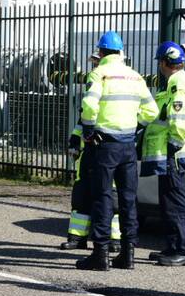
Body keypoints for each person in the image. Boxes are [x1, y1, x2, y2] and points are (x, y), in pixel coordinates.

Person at [76, 30, 159, 271]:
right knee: (128, 199)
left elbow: (89, 105)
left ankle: (100, 254)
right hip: (127, 146)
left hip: (105, 144)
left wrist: (89, 130)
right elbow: (151, 111)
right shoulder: (135, 77)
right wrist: (136, 128)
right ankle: (128, 253)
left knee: (102, 197)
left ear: (100, 52)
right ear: (121, 52)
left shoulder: (99, 73)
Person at [141, 41, 185, 266]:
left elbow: (181, 118)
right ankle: (173, 247)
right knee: (169, 201)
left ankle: (184, 250)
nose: (159, 66)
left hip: (174, 152)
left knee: (175, 202)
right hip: (175, 151)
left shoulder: (177, 83)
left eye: (160, 61)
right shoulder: (184, 82)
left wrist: (174, 144)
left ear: (166, 61)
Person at [61, 51, 121, 252]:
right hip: (89, 151)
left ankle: (114, 240)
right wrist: (76, 138)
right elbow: (84, 117)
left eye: (97, 61)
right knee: (82, 194)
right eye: (94, 62)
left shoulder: (116, 84)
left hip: (107, 148)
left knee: (110, 196)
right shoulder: (94, 81)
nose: (95, 65)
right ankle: (77, 237)